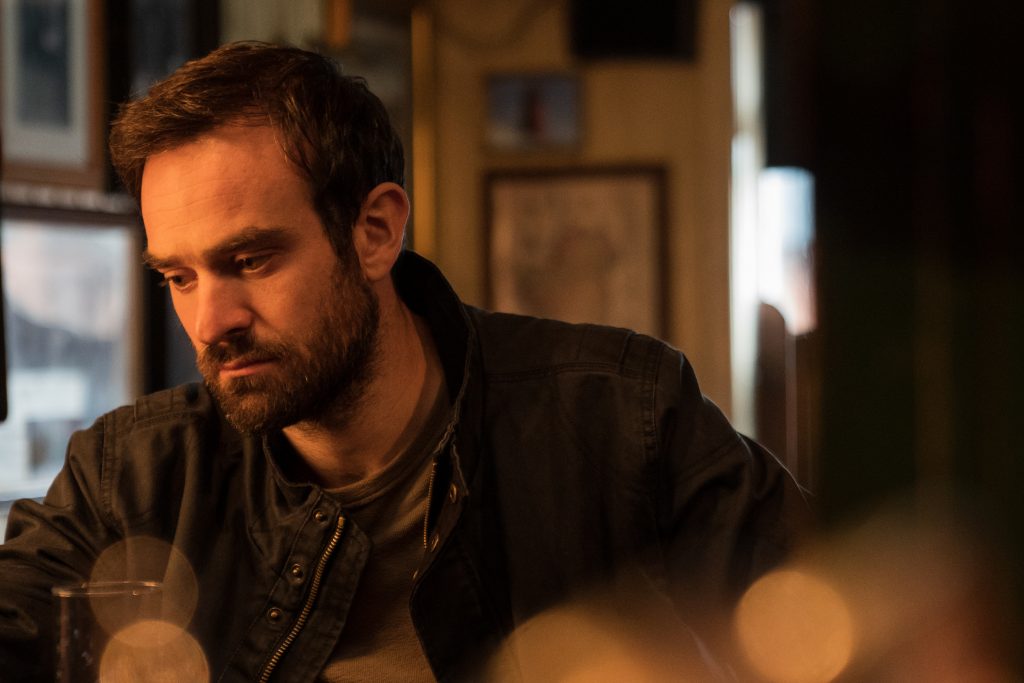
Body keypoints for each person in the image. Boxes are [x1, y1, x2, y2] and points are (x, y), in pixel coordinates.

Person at [0, 42, 799, 681]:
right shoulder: (132, 477)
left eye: (250, 260)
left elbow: (825, 619)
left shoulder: (623, 419)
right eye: (179, 277)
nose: (211, 322)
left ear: (375, 232)